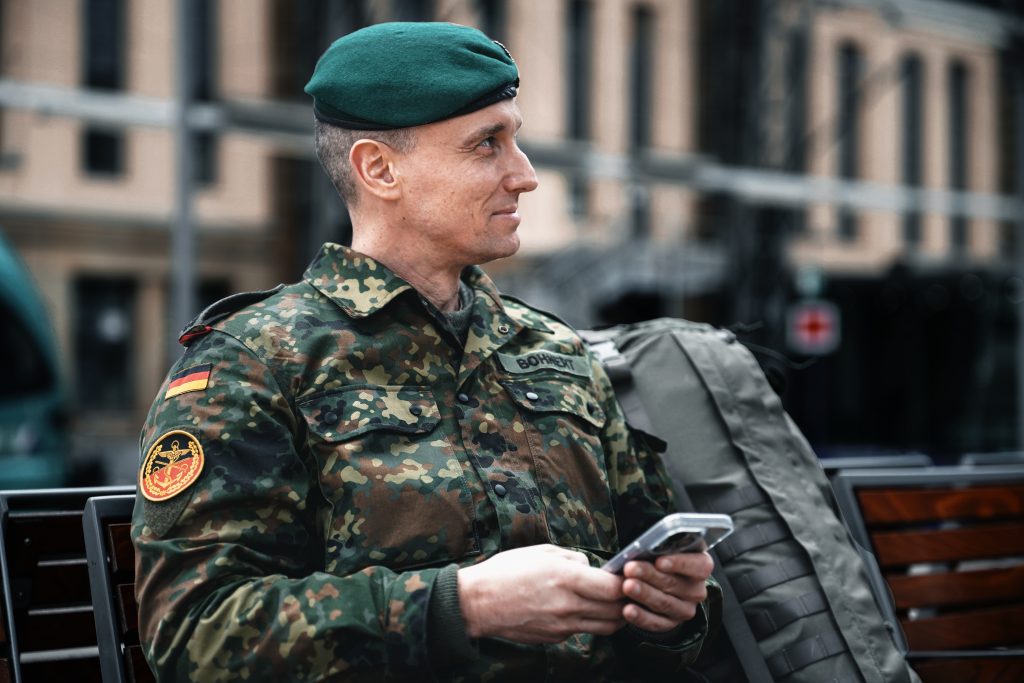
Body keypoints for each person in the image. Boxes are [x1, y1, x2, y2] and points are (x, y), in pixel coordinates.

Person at [132, 21, 720, 681]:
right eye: (487, 145)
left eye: (515, 139)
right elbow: (193, 632)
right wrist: (460, 606)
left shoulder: (558, 351)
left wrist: (672, 606)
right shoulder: (255, 362)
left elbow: (663, 598)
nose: (523, 175)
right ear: (379, 169)